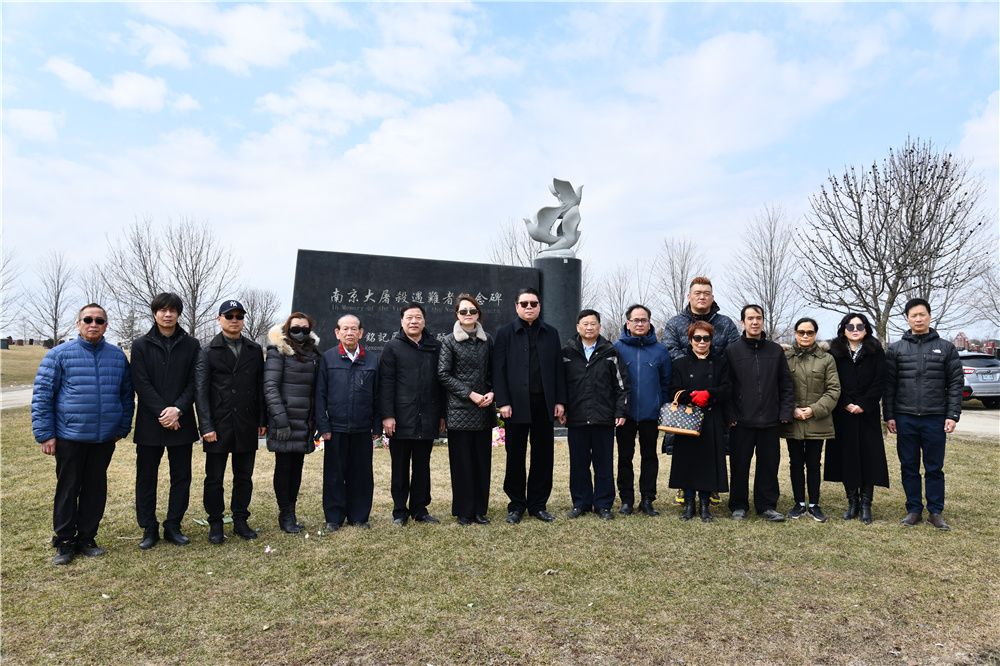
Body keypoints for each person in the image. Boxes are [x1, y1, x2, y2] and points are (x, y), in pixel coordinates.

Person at [32, 304, 134, 565]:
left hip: (103, 438)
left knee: (95, 488)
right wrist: (45, 434)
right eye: (88, 319)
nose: (93, 324)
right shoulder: (59, 355)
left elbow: (126, 394)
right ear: (78, 324)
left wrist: (122, 427)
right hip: (70, 436)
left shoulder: (117, 356)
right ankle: (65, 541)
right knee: (68, 488)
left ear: (106, 326)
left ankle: (87, 537)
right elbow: (43, 396)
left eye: (99, 320)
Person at [884, 298, 963, 530]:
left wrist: (952, 415)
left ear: (929, 316)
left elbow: (956, 383)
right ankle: (914, 509)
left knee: (934, 467)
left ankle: (935, 512)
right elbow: (889, 386)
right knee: (908, 465)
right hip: (905, 417)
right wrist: (889, 415)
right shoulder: (896, 349)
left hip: (935, 417)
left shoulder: (946, 348)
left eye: (922, 314)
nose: (918, 319)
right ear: (907, 319)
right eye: (913, 315)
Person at [131, 292, 201, 549]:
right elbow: (140, 382)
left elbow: (195, 382)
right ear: (154, 313)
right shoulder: (140, 345)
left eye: (172, 310)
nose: (167, 314)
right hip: (151, 422)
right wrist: (164, 412)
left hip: (181, 422)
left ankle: (173, 525)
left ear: (178, 314)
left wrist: (178, 410)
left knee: (181, 476)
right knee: (146, 477)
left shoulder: (191, 345)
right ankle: (149, 527)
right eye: (162, 310)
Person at [663, 276, 741, 505]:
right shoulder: (675, 323)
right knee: (685, 446)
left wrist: (712, 369)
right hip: (686, 393)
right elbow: (670, 349)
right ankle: (684, 487)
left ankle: (712, 485)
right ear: (689, 296)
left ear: (712, 296)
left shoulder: (725, 323)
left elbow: (733, 351)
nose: (702, 296)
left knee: (713, 447)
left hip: (715, 391)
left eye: (706, 293)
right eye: (697, 293)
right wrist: (693, 368)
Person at [194, 299, 266, 544]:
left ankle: (240, 519)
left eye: (239, 316)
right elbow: (201, 391)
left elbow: (259, 386)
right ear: (219, 319)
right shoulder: (207, 350)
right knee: (214, 477)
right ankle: (215, 522)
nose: (234, 320)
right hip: (219, 424)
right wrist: (206, 426)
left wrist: (261, 419)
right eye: (229, 316)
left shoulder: (254, 349)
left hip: (246, 422)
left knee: (244, 476)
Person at [493, 287, 566, 524]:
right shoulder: (504, 333)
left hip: (543, 404)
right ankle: (516, 505)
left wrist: (559, 401)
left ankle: (538, 505)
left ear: (539, 306)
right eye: (524, 304)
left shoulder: (551, 333)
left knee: (543, 456)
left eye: (533, 303)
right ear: (516, 307)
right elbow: (498, 370)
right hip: (515, 405)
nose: (529, 308)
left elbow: (558, 369)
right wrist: (502, 401)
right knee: (515, 455)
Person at [725, 304, 794, 522]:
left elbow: (786, 384)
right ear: (742, 322)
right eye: (750, 318)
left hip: (770, 420)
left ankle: (767, 506)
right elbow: (727, 387)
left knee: (769, 465)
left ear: (763, 321)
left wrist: (784, 412)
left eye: (758, 318)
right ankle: (738, 505)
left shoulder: (775, 351)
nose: (755, 322)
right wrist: (731, 415)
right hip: (741, 421)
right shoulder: (732, 351)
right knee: (739, 465)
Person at [379, 303, 445, 526]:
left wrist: (442, 414)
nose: (413, 321)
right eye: (409, 317)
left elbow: (441, 383)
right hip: (400, 418)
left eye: (418, 317)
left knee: (422, 466)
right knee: (399, 467)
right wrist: (387, 415)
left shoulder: (435, 346)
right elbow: (386, 384)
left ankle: (420, 509)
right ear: (401, 321)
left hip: (427, 416)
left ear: (424, 321)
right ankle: (399, 511)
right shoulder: (392, 347)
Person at [561, 310, 629, 520]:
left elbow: (622, 386)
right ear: (577, 327)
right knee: (578, 464)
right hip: (577, 417)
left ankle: (603, 504)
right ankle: (580, 503)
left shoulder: (610, 352)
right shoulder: (567, 353)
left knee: (604, 463)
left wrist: (621, 411)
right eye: (585, 324)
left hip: (603, 418)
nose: (589, 327)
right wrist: (561, 406)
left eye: (593, 324)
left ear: (599, 327)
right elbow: (561, 385)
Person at [316, 314, 380, 531]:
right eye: (345, 329)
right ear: (337, 332)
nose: (350, 332)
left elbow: (378, 395)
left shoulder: (372, 359)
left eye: (354, 329)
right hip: (336, 428)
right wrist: (323, 426)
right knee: (334, 474)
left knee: (361, 474)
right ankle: (334, 517)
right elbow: (320, 395)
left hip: (363, 428)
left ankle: (359, 516)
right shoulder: (328, 358)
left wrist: (377, 425)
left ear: (361, 333)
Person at [824, 313, 888, 524]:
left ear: (866, 329)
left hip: (867, 414)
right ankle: (852, 502)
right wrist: (846, 403)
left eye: (859, 325)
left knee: (868, 458)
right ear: (843, 329)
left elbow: (880, 381)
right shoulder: (834, 353)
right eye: (850, 326)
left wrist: (864, 404)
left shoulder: (876, 352)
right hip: (843, 413)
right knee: (847, 458)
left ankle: (866, 504)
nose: (854, 329)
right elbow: (831, 381)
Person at [438, 295, 495, 525]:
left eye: (472, 310)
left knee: (482, 463)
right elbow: (443, 374)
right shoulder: (449, 341)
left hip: (484, 409)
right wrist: (470, 394)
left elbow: (494, 371)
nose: (468, 314)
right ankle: (464, 511)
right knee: (462, 464)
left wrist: (493, 392)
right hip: (460, 409)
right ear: (457, 315)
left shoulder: (487, 340)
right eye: (463, 311)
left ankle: (480, 510)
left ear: (478, 313)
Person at [667, 321, 730, 522]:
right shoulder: (679, 363)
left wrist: (709, 394)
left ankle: (704, 505)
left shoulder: (721, 362)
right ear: (690, 340)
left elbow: (728, 388)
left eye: (706, 338)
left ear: (711, 340)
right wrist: (691, 395)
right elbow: (672, 390)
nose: (702, 342)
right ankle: (688, 504)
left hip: (711, 418)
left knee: (707, 464)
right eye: (697, 338)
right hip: (687, 419)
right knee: (687, 462)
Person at [264, 312, 321, 534]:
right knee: (284, 467)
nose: (300, 332)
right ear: (288, 328)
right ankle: (284, 513)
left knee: (297, 468)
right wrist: (280, 419)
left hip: (304, 421)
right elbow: (270, 387)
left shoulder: (314, 354)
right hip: (284, 420)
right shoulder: (278, 352)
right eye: (296, 328)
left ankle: (292, 511)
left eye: (305, 329)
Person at [779, 317, 840, 523]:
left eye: (810, 332)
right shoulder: (785, 358)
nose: (805, 336)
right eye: (801, 332)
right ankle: (799, 503)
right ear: (795, 333)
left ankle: (814, 504)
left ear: (815, 334)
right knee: (795, 462)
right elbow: (779, 387)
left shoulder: (826, 359)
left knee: (814, 463)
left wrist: (813, 410)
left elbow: (833, 390)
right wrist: (793, 410)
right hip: (793, 419)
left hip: (817, 420)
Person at [613, 304, 671, 516]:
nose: (639, 324)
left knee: (649, 457)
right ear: (628, 323)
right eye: (635, 320)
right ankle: (626, 500)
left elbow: (666, 383)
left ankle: (647, 499)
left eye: (643, 320)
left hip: (650, 415)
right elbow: (612, 382)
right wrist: (618, 410)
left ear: (649, 323)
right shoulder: (617, 348)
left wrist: (661, 408)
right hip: (625, 415)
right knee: (624, 457)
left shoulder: (660, 350)